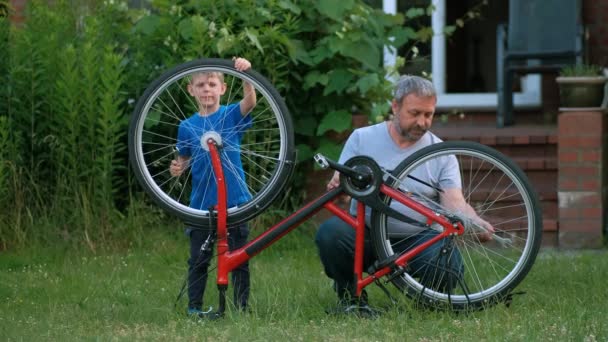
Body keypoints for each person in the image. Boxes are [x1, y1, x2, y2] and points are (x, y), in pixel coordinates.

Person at [315, 75, 495, 314]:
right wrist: (339, 185)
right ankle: (351, 298)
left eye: (428, 114)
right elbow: (343, 194)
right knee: (331, 234)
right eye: (415, 113)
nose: (422, 122)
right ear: (395, 107)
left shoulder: (441, 152)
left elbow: (455, 203)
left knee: (449, 265)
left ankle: (424, 304)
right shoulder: (362, 138)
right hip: (366, 234)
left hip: (418, 239)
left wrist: (475, 222)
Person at [169, 57, 257, 317]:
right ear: (191, 90)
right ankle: (194, 308)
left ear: (222, 88)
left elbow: (250, 103)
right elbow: (183, 158)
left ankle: (241, 308)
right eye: (200, 85)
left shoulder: (229, 115)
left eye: (211, 84)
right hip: (201, 203)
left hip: (235, 199)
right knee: (198, 259)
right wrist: (177, 168)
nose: (206, 89)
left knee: (239, 257)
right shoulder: (186, 126)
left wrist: (245, 75)